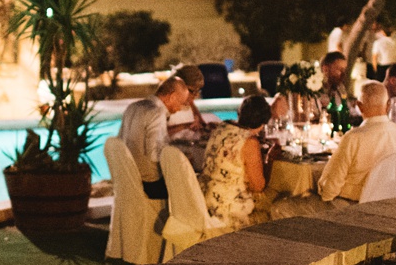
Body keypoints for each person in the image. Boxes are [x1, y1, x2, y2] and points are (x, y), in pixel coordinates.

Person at [316, 81, 396, 202]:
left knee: (286, 207)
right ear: (388, 105)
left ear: (359, 106)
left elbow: (331, 186)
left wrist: (324, 196)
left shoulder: (353, 138)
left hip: (352, 206)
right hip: (391, 205)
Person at [199, 95, 280, 230]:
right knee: (278, 206)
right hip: (228, 212)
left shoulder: (222, 127)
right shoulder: (249, 141)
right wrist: (270, 158)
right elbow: (257, 186)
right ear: (264, 121)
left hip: (204, 201)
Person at [119, 77, 191, 201]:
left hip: (127, 178)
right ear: (172, 97)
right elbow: (155, 156)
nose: (180, 108)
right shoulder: (157, 113)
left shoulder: (133, 107)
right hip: (148, 184)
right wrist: (181, 158)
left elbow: (121, 140)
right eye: (181, 103)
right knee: (189, 188)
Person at [166, 64, 211, 139]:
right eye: (192, 91)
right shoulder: (165, 104)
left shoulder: (190, 103)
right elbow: (158, 134)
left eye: (198, 91)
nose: (195, 95)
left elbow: (202, 126)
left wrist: (207, 127)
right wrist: (185, 126)